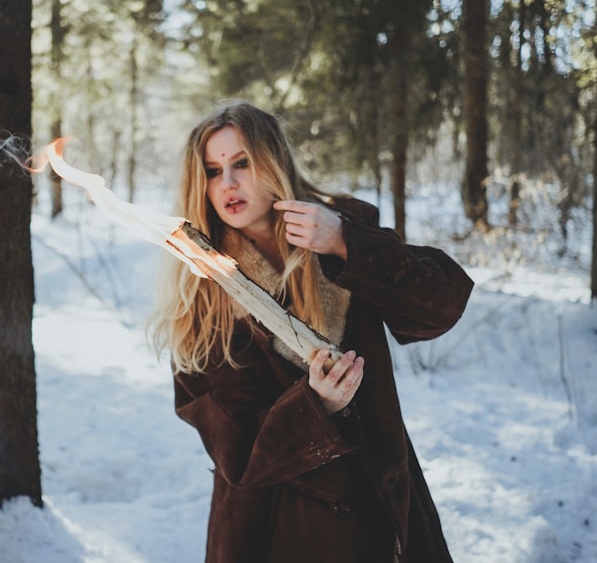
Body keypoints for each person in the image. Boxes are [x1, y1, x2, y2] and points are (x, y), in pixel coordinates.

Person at [150, 101, 474, 562]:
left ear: (274, 161)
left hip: (386, 510)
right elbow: (238, 453)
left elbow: (440, 306)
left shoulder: (338, 232)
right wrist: (314, 407)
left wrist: (346, 243)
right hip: (278, 531)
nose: (228, 184)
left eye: (241, 163)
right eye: (213, 170)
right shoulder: (204, 293)